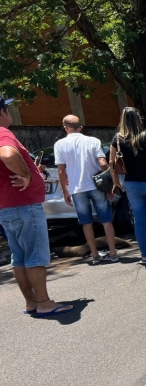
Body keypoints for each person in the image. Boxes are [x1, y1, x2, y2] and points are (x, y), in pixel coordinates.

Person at [0, 96, 74, 317]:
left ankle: (32, 302)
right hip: (24, 206)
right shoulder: (3, 133)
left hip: (8, 207)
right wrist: (26, 175)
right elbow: (8, 153)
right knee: (35, 256)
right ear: (1, 112)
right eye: (7, 107)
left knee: (19, 257)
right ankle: (43, 303)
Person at [54, 114, 118, 264]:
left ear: (65, 128)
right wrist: (108, 184)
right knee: (106, 220)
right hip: (95, 185)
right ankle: (113, 253)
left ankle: (95, 255)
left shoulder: (60, 145)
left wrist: (65, 190)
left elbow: (61, 171)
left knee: (86, 222)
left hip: (77, 188)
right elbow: (103, 163)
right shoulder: (93, 141)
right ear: (81, 127)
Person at [110, 107, 146, 264]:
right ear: (138, 119)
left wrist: (116, 182)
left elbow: (111, 162)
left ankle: (144, 256)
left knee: (139, 220)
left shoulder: (117, 139)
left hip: (131, 184)